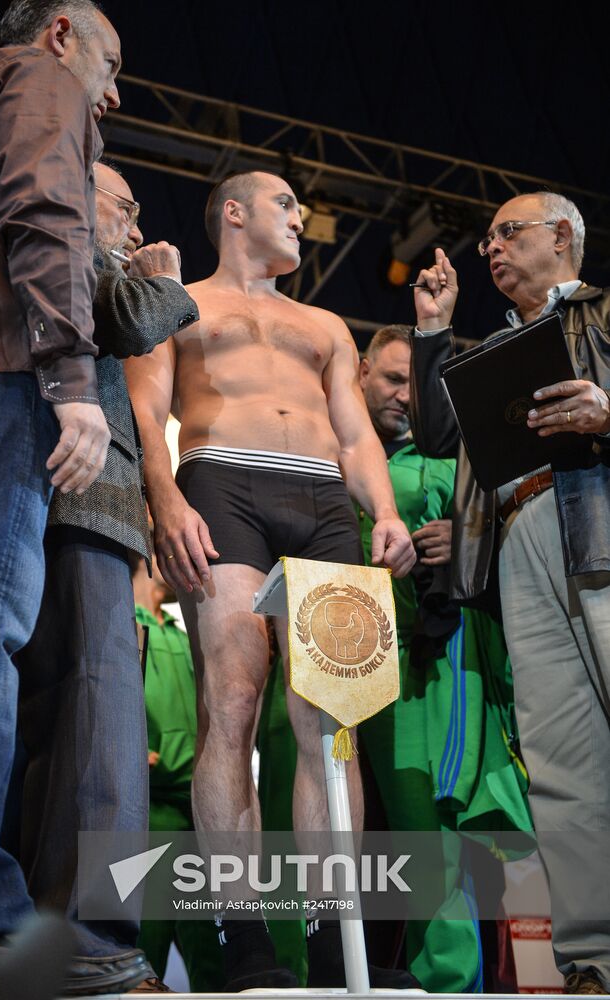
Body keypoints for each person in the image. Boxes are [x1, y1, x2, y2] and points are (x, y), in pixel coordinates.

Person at [125, 169, 417, 991]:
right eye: (287, 205)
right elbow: (148, 410)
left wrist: (386, 512)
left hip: (324, 499)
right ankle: (243, 936)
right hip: (221, 479)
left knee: (334, 721)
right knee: (234, 702)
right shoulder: (180, 303)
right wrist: (166, 496)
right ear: (235, 212)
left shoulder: (325, 322)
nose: (300, 218)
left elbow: (356, 435)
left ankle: (338, 940)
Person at [0, 1, 121, 993]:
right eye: (112, 62)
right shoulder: (39, 75)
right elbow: (50, 209)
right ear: (63, 32)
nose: (116, 89)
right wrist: (72, 384)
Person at [410, 191, 610, 995]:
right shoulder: (492, 346)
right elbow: (436, 436)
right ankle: (595, 956)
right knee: (564, 762)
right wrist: (432, 332)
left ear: (561, 237)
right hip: (524, 541)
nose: (489, 248)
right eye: (485, 237)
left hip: (598, 515)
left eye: (507, 233)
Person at [13, 161, 199, 994]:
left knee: (41, 732)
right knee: (100, 724)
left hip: (45, 502)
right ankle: (93, 946)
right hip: (88, 503)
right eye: (126, 208)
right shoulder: (72, 243)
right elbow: (127, 317)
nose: (134, 226)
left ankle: (34, 938)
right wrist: (165, 283)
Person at [357, 326, 530, 992]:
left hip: (450, 663)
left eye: (417, 383)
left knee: (435, 838)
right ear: (361, 371)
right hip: (361, 660)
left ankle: (451, 983)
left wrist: (464, 537)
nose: (406, 396)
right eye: (393, 380)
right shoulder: (345, 458)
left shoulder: (458, 458)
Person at [131, 548, 225, 993]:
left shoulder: (175, 629)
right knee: (139, 942)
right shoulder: (124, 622)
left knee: (212, 947)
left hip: (195, 810)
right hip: (148, 812)